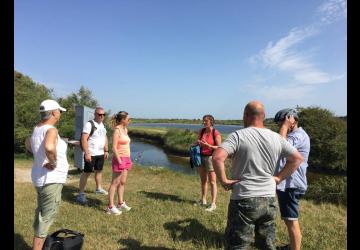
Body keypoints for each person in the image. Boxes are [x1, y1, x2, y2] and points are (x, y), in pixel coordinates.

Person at [212, 100, 304, 250]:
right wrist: (279, 177)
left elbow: (217, 157)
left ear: (245, 115)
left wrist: (223, 180)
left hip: (244, 198)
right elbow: (297, 159)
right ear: (264, 116)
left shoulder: (238, 136)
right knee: (267, 244)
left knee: (238, 245)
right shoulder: (276, 138)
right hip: (269, 199)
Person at [25, 99, 69, 250]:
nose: (60, 114)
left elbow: (28, 143)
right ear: (54, 113)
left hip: (40, 178)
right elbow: (50, 147)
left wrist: (38, 154)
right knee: (46, 217)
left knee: (42, 213)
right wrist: (54, 162)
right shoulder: (51, 130)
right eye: (59, 112)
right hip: (51, 179)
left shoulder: (37, 129)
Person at [273, 109, 310, 250]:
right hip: (287, 184)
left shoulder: (299, 135)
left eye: (282, 121)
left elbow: (282, 147)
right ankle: (291, 246)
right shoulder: (294, 135)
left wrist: (284, 127)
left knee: (291, 221)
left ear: (292, 119)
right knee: (289, 219)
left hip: (291, 184)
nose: (280, 125)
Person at [76, 107, 109, 205]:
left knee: (99, 171)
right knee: (86, 173)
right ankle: (81, 194)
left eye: (103, 115)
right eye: (99, 114)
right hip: (91, 153)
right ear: (95, 114)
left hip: (100, 153)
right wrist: (87, 153)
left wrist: (106, 150)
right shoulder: (89, 124)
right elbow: (83, 139)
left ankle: (98, 188)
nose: (101, 116)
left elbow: (105, 137)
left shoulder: (102, 125)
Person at [106, 111, 133, 215]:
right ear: (122, 120)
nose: (129, 120)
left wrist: (128, 159)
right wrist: (119, 160)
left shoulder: (125, 129)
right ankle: (110, 207)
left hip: (126, 158)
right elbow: (114, 148)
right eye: (128, 119)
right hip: (119, 158)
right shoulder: (117, 130)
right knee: (115, 183)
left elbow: (126, 145)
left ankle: (120, 203)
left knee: (122, 182)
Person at [194, 114, 222, 212]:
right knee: (203, 180)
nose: (204, 122)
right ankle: (203, 200)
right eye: (203, 120)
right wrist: (195, 144)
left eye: (206, 120)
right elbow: (197, 142)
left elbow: (219, 147)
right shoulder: (201, 131)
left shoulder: (216, 133)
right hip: (201, 157)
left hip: (211, 158)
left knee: (212, 182)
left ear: (211, 121)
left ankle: (213, 204)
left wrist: (208, 145)